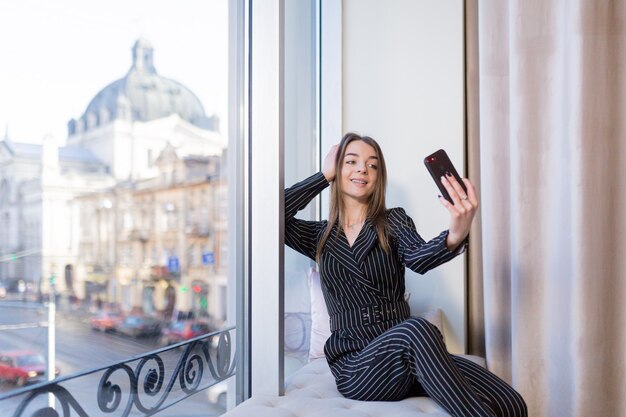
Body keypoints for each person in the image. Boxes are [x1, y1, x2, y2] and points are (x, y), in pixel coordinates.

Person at [285, 133, 527, 417]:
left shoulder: (393, 220)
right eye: (351, 161)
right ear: (336, 170)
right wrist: (323, 175)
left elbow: (419, 259)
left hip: (409, 355)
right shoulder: (319, 236)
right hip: (357, 366)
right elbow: (272, 213)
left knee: (512, 403)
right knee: (418, 329)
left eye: (372, 165)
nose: (363, 169)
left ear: (379, 177)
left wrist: (455, 234)